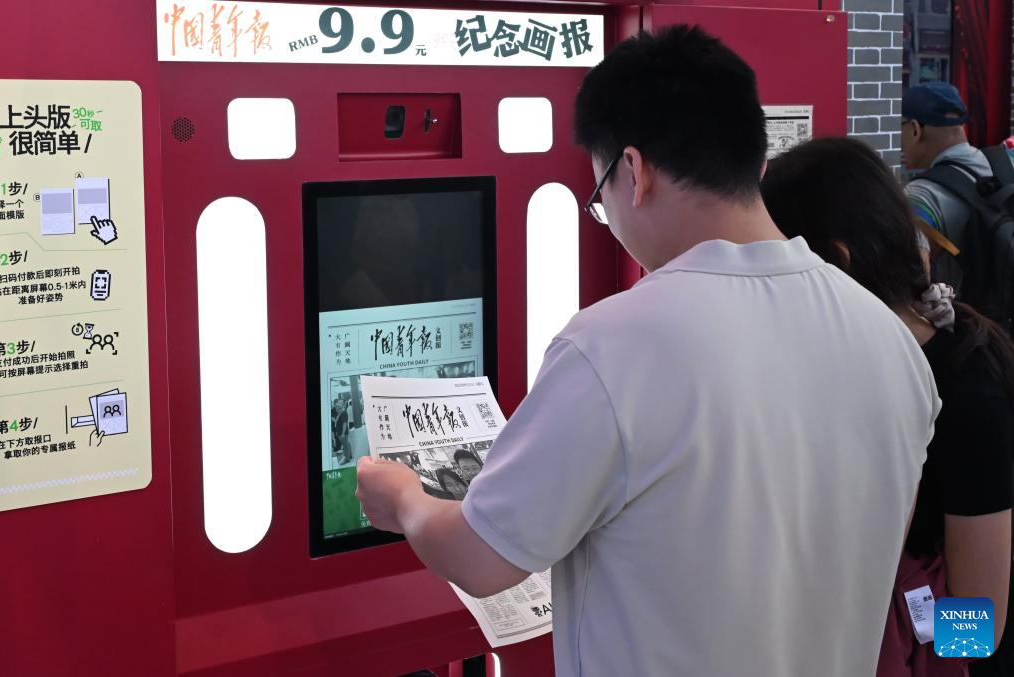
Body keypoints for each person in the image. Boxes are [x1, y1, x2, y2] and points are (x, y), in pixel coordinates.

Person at [357, 26, 938, 676]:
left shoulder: (611, 347)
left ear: (633, 173)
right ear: (757, 164)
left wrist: (403, 498)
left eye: (598, 198)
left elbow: (480, 559)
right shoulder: (893, 343)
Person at [761, 136, 1013, 677]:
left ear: (836, 260)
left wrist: (879, 637)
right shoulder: (834, 362)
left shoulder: (965, 386)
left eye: (777, 261)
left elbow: (981, 627)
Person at [901, 82, 1014, 305]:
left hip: (969, 320)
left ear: (915, 129)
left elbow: (912, 273)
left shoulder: (921, 195)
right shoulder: (1007, 163)